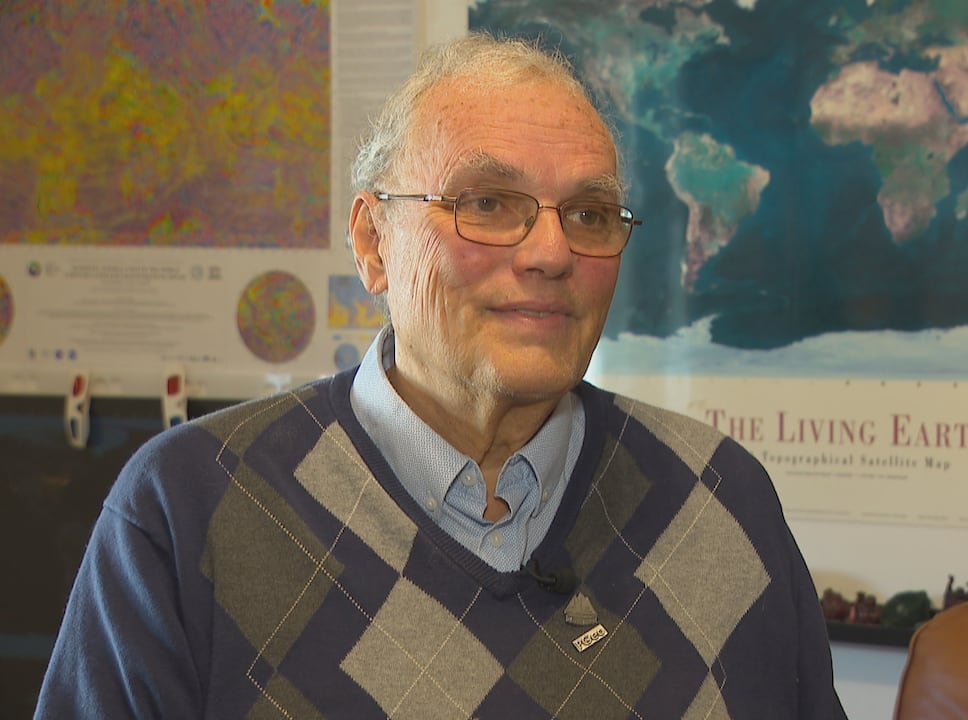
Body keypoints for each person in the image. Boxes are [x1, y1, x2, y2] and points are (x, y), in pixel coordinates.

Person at [36, 32, 847, 719]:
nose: (552, 253)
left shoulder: (720, 502)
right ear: (373, 242)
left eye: (590, 215)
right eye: (488, 203)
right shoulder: (189, 510)